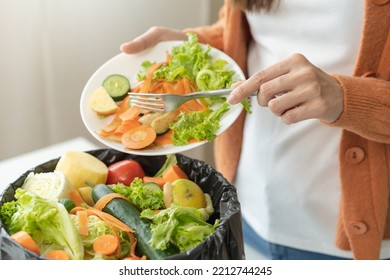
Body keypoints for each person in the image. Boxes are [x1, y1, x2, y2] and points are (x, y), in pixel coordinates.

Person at [120, 0, 390, 260]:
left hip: (339, 237)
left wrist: (346, 99)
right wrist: (196, 47)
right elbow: (251, 32)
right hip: (245, 205)